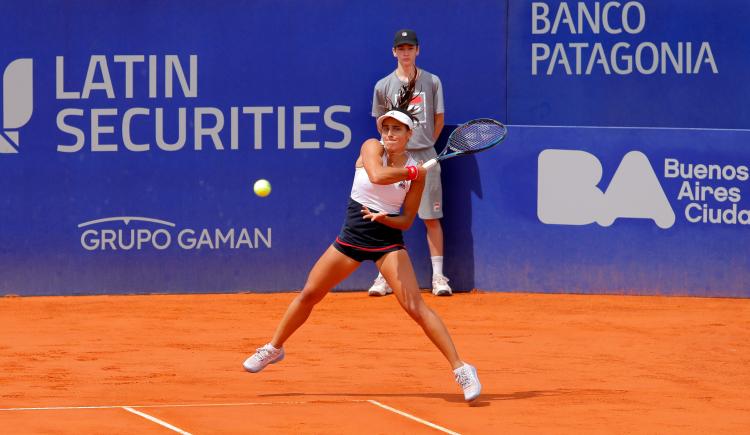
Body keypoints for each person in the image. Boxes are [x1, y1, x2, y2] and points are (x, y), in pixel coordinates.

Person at [242, 79, 481, 402]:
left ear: (410, 135)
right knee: (310, 293)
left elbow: (408, 219)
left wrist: (386, 217)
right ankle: (274, 348)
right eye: (387, 128)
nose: (390, 134)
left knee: (415, 306)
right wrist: (411, 174)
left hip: (387, 241)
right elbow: (377, 176)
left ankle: (462, 368)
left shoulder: (417, 172)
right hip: (352, 237)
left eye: (397, 130)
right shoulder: (371, 147)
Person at [369, 29, 452, 297]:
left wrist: (426, 145)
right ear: (394, 52)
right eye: (401, 48)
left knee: (430, 217)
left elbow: (438, 119)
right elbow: (381, 123)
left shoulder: (432, 81)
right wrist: (395, 149)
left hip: (426, 156)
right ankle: (383, 277)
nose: (405, 53)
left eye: (410, 48)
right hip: (395, 159)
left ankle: (439, 277)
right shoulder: (383, 86)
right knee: (388, 216)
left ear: (418, 51)